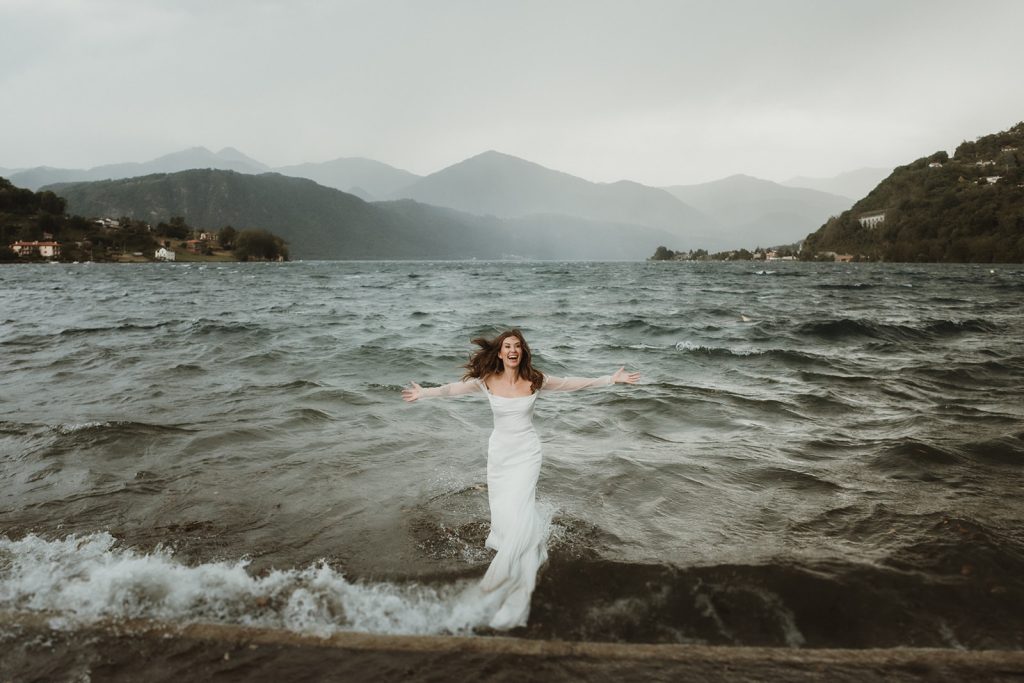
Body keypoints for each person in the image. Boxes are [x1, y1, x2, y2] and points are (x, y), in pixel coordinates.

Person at [402, 329, 639, 629]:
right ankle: (517, 558)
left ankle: (506, 587)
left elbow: (569, 384)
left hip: (527, 455)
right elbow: (453, 389)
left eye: (517, 346)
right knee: (505, 517)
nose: (512, 350)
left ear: (523, 352)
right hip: (500, 457)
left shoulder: (535, 380)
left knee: (522, 511)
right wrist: (425, 393)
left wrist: (610, 379)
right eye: (507, 346)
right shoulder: (487, 380)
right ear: (500, 353)